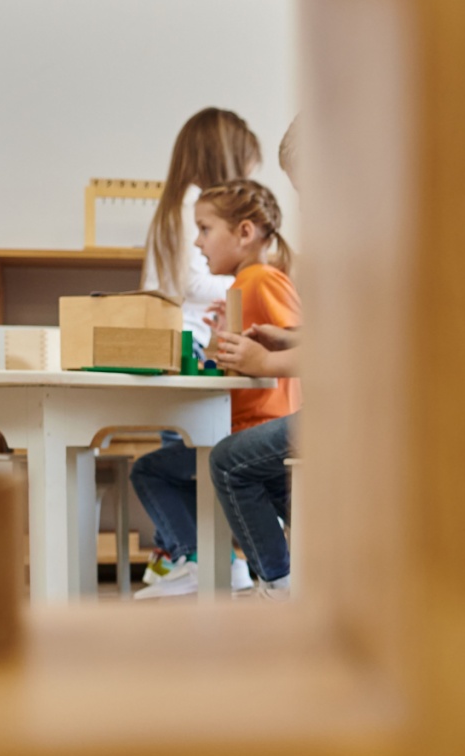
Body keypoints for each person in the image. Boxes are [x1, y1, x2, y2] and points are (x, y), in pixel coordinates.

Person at [132, 179, 301, 599]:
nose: (197, 241)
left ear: (244, 233)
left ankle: (266, 577)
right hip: (247, 421)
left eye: (205, 229)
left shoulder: (261, 279)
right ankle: (256, 573)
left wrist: (258, 351)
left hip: (257, 421)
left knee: (173, 467)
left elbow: (301, 335)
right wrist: (223, 338)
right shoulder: (243, 286)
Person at [138, 108, 262, 591]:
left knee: (181, 460)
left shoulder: (175, 203)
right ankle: (205, 560)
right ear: (223, 157)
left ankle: (193, 557)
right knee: (193, 459)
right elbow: (190, 279)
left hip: (180, 340)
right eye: (244, 167)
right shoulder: (193, 205)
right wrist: (247, 279)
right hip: (187, 344)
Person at [206, 120, 303, 596]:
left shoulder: (261, 278)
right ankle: (288, 577)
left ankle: (279, 582)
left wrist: (266, 361)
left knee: (227, 462)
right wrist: (285, 340)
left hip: (330, 414)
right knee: (246, 469)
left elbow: (353, 349)